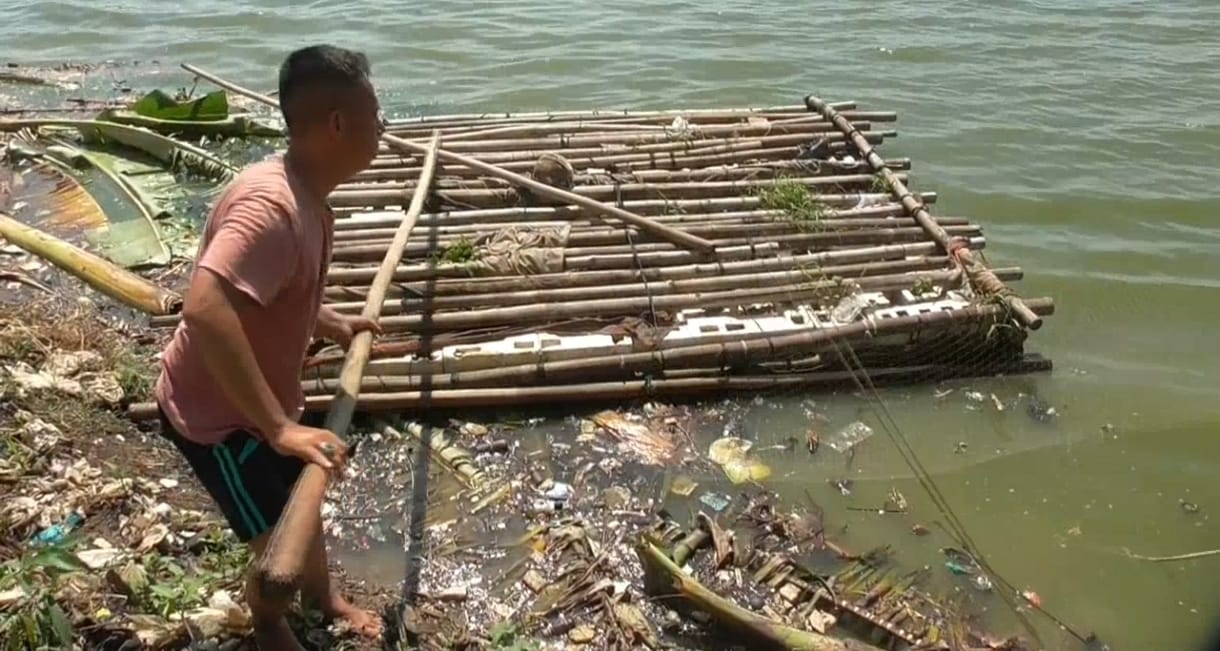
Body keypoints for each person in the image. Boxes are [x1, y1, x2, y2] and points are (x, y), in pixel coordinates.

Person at [153, 44, 386, 649]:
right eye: (376, 110)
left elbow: (272, 293)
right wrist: (278, 429)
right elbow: (206, 307)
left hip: (263, 404)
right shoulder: (271, 207)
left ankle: (325, 598)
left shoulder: (307, 196)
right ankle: (269, 621)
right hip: (219, 420)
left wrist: (329, 321)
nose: (384, 125)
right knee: (275, 548)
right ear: (338, 123)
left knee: (300, 508)